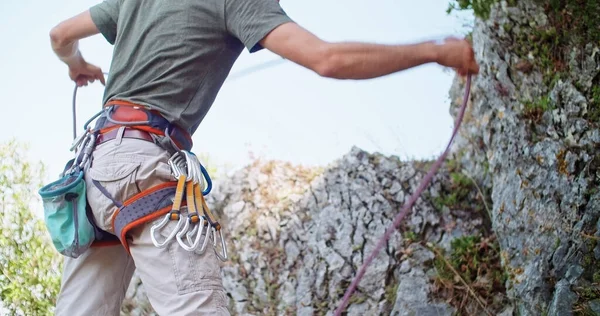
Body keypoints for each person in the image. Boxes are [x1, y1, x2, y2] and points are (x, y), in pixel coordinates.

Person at [49, 0, 480, 315]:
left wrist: (78, 65)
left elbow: (60, 35)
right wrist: (435, 51)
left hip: (94, 173)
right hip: (144, 167)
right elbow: (327, 59)